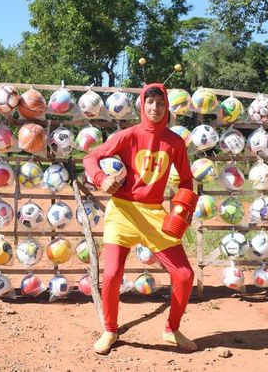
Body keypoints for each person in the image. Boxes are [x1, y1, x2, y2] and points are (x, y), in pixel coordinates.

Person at [83, 83, 197, 354]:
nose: (155, 108)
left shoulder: (175, 142)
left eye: (160, 103)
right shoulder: (127, 135)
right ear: (141, 105)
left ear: (167, 106)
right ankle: (110, 330)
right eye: (150, 102)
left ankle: (172, 329)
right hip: (122, 210)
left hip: (154, 212)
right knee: (111, 274)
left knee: (184, 274)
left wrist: (183, 209)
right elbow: (91, 158)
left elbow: (187, 180)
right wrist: (101, 179)